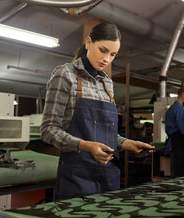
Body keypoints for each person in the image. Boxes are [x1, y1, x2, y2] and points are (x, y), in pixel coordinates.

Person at [40, 22, 155, 200]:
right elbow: (48, 130)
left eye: (113, 54)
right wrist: (85, 146)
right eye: (103, 50)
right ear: (88, 42)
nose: (107, 59)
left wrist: (126, 143)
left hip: (109, 177)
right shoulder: (65, 74)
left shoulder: (107, 83)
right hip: (77, 177)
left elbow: (104, 134)